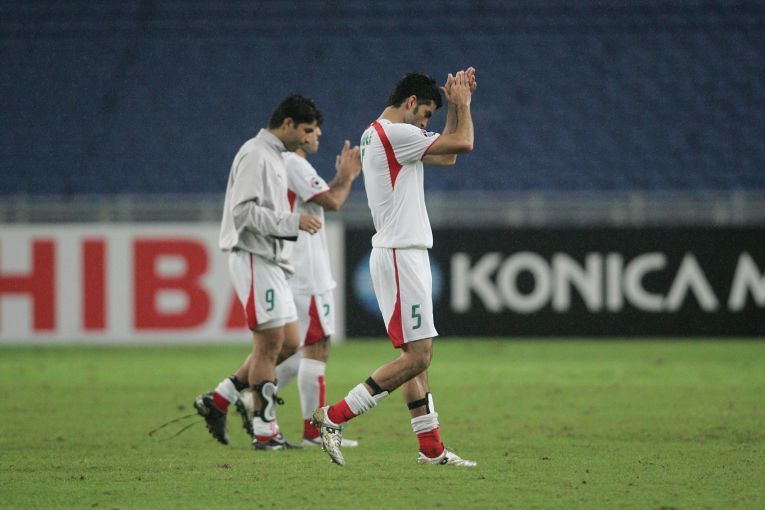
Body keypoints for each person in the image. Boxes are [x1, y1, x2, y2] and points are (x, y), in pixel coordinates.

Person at [311, 69, 478, 467]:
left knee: (412, 360)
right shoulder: (396, 133)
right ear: (410, 102)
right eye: (426, 114)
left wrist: (453, 108)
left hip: (399, 253)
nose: (425, 124)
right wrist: (463, 105)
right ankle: (334, 416)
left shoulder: (378, 134)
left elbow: (449, 154)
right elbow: (464, 143)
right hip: (402, 254)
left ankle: (431, 449)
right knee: (419, 357)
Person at [194, 94, 323, 450]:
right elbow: (243, 212)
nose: (308, 138)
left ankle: (219, 398)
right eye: (306, 130)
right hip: (254, 257)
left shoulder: (274, 156)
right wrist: (292, 222)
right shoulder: (255, 154)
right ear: (287, 124)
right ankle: (266, 432)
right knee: (268, 346)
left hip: (271, 261)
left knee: (290, 342)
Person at [237, 124, 363, 448]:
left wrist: (339, 178)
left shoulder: (285, 164)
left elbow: (319, 198)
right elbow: (333, 202)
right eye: (312, 128)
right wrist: (348, 176)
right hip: (307, 273)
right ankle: (314, 431)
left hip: (295, 267)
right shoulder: (294, 162)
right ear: (298, 132)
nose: (319, 134)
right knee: (317, 349)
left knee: (293, 351)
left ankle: (248, 398)